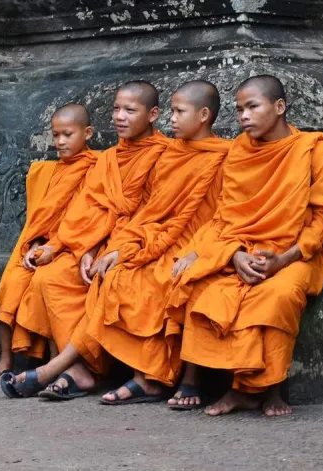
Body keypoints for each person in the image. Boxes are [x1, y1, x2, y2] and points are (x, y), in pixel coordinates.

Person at [169, 75, 323, 417]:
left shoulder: (316, 149)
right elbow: (226, 215)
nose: (244, 116)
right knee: (201, 283)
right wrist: (233, 255)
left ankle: (265, 389)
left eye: (252, 106)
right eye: (239, 110)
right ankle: (203, 382)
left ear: (279, 107)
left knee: (278, 294)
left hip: (295, 253)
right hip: (241, 247)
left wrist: (284, 259)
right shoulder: (239, 150)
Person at [3, 81, 170, 398]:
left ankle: (64, 368)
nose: (119, 116)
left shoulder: (166, 155)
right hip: (98, 240)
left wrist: (116, 249)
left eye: (129, 110)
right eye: (116, 109)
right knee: (49, 277)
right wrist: (81, 249)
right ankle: (79, 371)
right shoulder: (108, 159)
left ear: (153, 114)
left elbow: (157, 214)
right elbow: (89, 210)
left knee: (108, 281)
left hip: (138, 241)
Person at [73, 80, 231, 406]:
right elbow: (151, 211)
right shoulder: (170, 154)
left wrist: (199, 251)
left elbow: (226, 214)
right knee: (120, 274)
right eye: (171, 111)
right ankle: (142, 377)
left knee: (167, 280)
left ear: (203, 115)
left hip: (200, 241)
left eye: (178, 112)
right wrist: (123, 246)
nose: (171, 119)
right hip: (159, 236)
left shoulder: (225, 156)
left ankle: (166, 380)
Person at [0, 103, 98, 385]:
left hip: (73, 246)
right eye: (56, 135)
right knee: (12, 281)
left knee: (45, 282)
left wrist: (57, 247)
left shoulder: (96, 168)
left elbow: (89, 218)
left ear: (87, 133)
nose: (60, 142)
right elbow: (41, 215)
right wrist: (36, 242)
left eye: (67, 135)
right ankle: (5, 358)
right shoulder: (46, 172)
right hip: (43, 244)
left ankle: (54, 361)